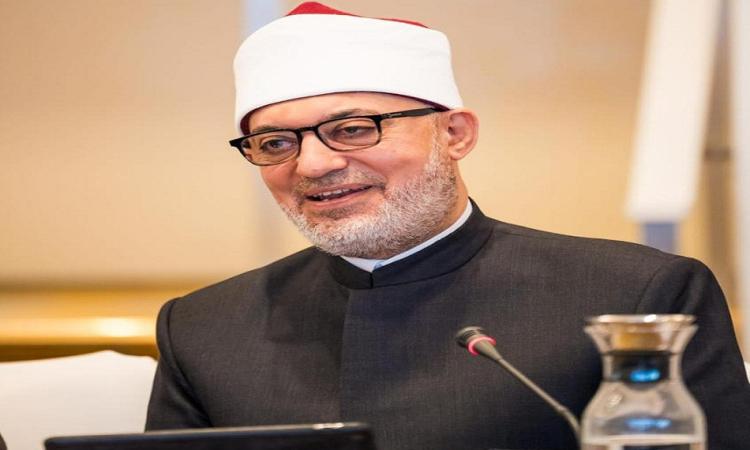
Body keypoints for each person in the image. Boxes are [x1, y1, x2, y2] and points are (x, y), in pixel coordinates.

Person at [146, 3, 750, 449]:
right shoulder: (203, 328)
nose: (313, 164)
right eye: (275, 142)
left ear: (455, 134)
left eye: (352, 129)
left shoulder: (635, 295)